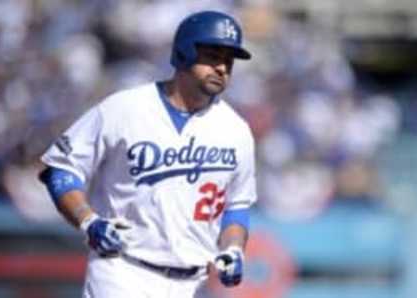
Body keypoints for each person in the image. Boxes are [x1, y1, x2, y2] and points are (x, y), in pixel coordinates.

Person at [38, 10, 257, 298]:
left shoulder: (236, 130)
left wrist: (233, 248)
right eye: (213, 56)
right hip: (123, 272)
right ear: (184, 52)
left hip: (195, 282)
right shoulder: (125, 108)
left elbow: (236, 207)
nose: (222, 68)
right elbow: (60, 168)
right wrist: (88, 221)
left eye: (229, 60)